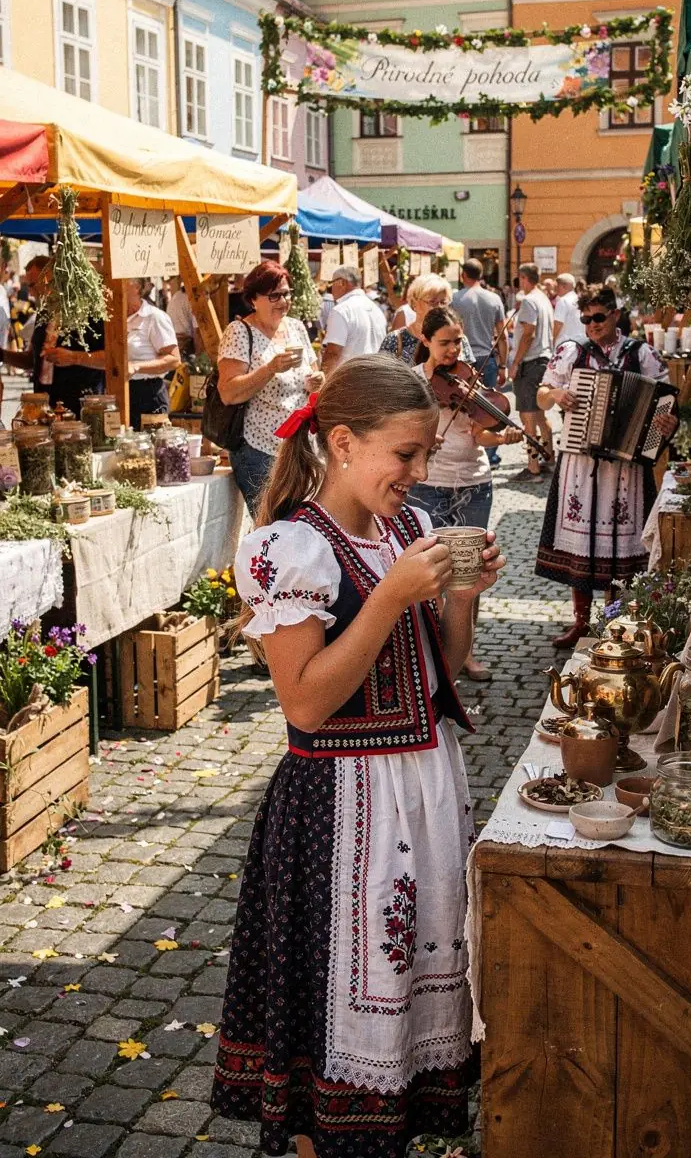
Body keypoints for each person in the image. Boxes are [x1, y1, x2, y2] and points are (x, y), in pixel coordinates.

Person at [210, 355, 504, 1158]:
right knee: (332, 1039)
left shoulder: (405, 530)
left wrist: (462, 599)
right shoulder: (287, 548)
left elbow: (435, 671)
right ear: (342, 443)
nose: (419, 471)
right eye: (404, 454)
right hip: (343, 815)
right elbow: (305, 703)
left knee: (409, 1009)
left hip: (421, 795)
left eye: (423, 453)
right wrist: (387, 597)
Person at [535, 284, 677, 647]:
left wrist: (666, 424)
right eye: (585, 319)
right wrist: (556, 395)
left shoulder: (641, 353)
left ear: (615, 314)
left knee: (618, 547)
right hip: (580, 464)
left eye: (598, 317)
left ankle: (614, 622)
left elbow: (666, 401)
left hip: (625, 467)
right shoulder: (571, 350)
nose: (592, 325)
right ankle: (581, 623)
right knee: (582, 546)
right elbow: (541, 391)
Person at [409, 306, 522, 679]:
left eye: (458, 341)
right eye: (445, 343)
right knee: (433, 574)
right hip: (428, 486)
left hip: (474, 481)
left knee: (469, 573)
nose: (453, 350)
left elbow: (479, 433)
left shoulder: (468, 378)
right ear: (425, 341)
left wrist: (503, 435)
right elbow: (400, 438)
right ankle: (432, 654)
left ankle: (466, 652)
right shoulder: (412, 383)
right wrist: (424, 442)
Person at [217, 260, 323, 514]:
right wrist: (270, 369)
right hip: (260, 449)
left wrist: (316, 380)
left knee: (303, 524)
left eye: (286, 294)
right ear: (254, 299)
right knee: (275, 526)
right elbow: (228, 393)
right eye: (274, 295)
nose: (283, 301)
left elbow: (312, 372)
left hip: (299, 447)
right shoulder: (240, 332)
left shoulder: (296, 328)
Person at [0, 255, 106, 417]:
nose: (31, 292)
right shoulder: (44, 313)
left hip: (81, 407)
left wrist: (74, 357)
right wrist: (3, 354)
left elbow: (111, 359)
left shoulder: (90, 314)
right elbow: (32, 360)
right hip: (45, 406)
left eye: (34, 285)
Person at [508, 262, 554, 482]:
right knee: (540, 415)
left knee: (527, 417)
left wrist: (515, 362)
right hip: (543, 360)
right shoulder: (544, 298)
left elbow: (528, 333)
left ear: (524, 278)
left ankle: (533, 467)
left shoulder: (528, 300)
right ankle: (549, 457)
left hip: (530, 362)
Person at [380, 275, 469, 367]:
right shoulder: (395, 340)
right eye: (432, 302)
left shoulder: (459, 339)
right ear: (414, 303)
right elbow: (381, 377)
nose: (439, 307)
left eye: (443, 302)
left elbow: (469, 374)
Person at [126, 279, 180, 429]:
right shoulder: (113, 318)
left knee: (150, 448)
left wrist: (137, 367)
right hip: (120, 393)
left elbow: (174, 360)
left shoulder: (154, 316)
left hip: (148, 395)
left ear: (136, 287)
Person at [450, 258, 507, 389]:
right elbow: (502, 336)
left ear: (463, 275)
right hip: (487, 359)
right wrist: (503, 366)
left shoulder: (454, 299)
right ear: (480, 275)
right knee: (487, 405)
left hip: (462, 360)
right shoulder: (495, 299)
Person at [321, 266, 387, 375]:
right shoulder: (376, 310)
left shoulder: (341, 310)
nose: (331, 288)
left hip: (349, 380)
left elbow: (333, 353)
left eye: (332, 283)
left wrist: (323, 383)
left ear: (342, 283)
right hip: (375, 378)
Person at [166, 276, 199, 359]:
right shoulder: (193, 300)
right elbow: (197, 332)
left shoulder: (177, 296)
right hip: (184, 345)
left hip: (172, 342)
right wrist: (199, 357)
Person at [552, 272, 584, 347]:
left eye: (557, 286)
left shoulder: (563, 301)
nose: (555, 289)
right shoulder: (578, 299)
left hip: (564, 344)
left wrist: (552, 342)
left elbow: (558, 324)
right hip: (580, 343)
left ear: (564, 286)